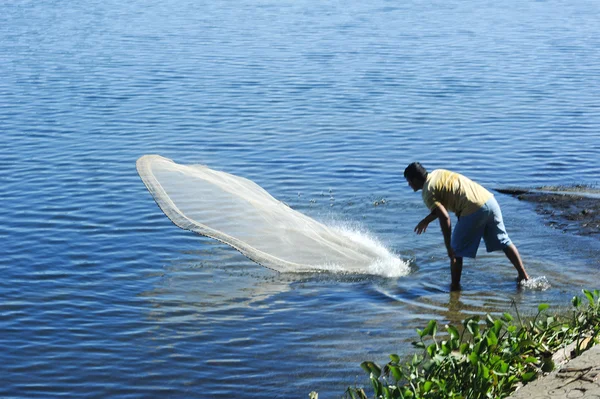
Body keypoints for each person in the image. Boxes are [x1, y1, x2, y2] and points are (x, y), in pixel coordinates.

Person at [404, 162, 529, 290]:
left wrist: (448, 247)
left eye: (409, 181)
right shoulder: (437, 173)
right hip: (489, 201)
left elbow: (444, 216)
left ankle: (454, 288)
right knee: (503, 241)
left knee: (456, 251)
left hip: (473, 209)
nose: (409, 185)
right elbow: (441, 207)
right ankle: (524, 276)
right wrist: (427, 220)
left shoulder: (427, 192)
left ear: (415, 179)